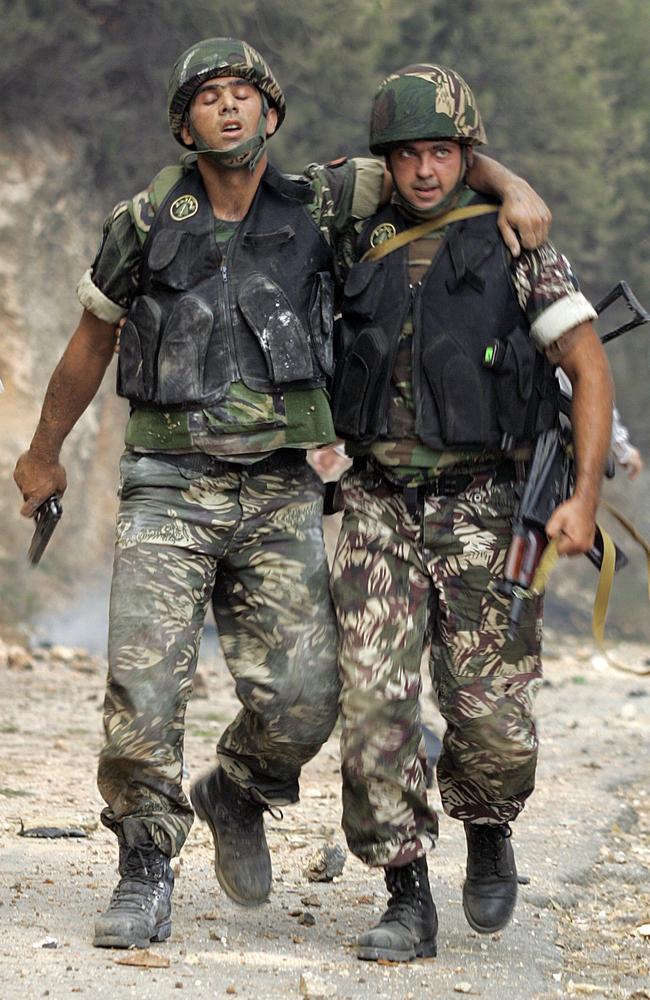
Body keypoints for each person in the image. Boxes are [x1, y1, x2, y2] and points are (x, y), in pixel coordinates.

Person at [13, 40, 550, 950]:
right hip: (168, 487)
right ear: (184, 124)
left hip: (279, 489)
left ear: (273, 114)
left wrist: (511, 184)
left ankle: (240, 786)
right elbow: (89, 339)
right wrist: (42, 453)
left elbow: (431, 157)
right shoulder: (144, 217)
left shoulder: (325, 204)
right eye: (208, 99)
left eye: (244, 96)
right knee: (143, 691)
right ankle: (144, 867)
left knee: (306, 699)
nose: (228, 110)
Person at [329, 64, 613, 962]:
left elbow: (589, 367)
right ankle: (405, 893)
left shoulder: (515, 243)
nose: (424, 170)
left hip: (487, 506)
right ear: (388, 158)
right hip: (376, 503)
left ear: (466, 153)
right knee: (374, 706)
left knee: (492, 721)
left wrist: (584, 497)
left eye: (444, 152)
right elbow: (283, 178)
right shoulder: (350, 229)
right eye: (407, 153)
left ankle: (489, 829)